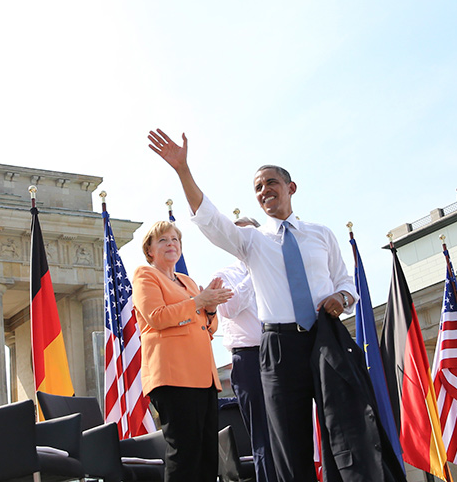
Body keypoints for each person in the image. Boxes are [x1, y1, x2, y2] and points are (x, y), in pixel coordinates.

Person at [147, 129, 357, 482]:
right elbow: (212, 221)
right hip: (278, 347)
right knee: (287, 444)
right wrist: (183, 170)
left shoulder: (321, 234)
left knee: (344, 432)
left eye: (271, 183)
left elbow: (345, 282)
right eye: (258, 188)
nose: (264, 191)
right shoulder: (252, 242)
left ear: (291, 188)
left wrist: (343, 298)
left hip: (325, 338)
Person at [131, 220, 231, 482]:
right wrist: (199, 301)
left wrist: (210, 308)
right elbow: (157, 317)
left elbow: (208, 329)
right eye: (163, 240)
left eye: (175, 239)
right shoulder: (145, 275)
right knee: (184, 455)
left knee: (207, 455)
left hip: (204, 377)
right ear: (150, 250)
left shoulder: (188, 281)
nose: (171, 244)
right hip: (173, 377)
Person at [211, 216, 277, 482]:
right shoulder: (225, 275)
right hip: (250, 358)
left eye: (251, 235)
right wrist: (254, 271)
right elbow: (228, 307)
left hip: (281, 352)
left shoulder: (277, 268)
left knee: (291, 431)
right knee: (263, 435)